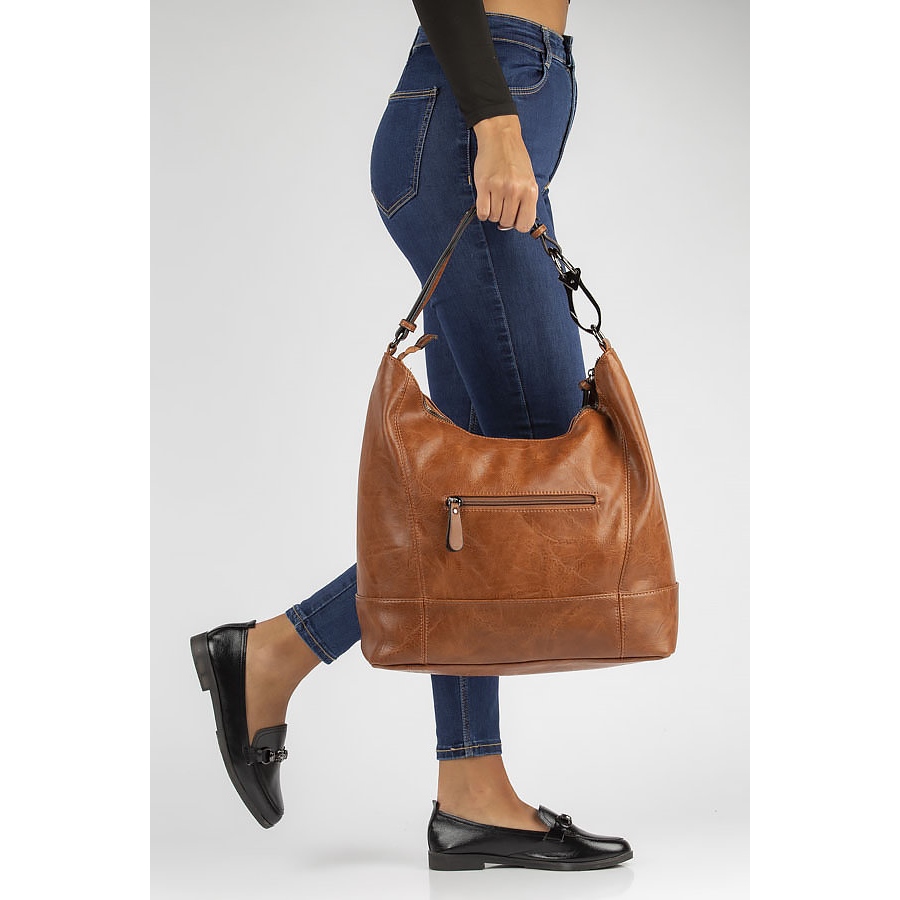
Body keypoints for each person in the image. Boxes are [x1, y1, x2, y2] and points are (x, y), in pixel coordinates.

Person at [190, 0, 632, 871]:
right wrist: (495, 118)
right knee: (539, 473)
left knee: (474, 490)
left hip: (496, 111)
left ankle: (470, 792)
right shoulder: (487, 115)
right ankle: (277, 650)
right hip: (476, 117)